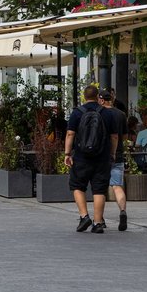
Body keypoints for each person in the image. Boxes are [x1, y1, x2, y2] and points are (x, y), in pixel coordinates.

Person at [64, 85, 118, 234]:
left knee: (77, 185)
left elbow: (70, 134)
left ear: (84, 96)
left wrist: (67, 154)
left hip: (81, 157)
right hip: (102, 157)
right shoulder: (107, 114)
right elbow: (114, 136)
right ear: (98, 97)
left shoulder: (76, 113)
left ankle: (84, 216)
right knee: (99, 189)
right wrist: (112, 154)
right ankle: (98, 222)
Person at [100, 90, 130, 232]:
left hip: (100, 156)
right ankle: (122, 211)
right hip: (117, 155)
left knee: (99, 188)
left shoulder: (99, 113)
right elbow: (124, 137)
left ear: (101, 100)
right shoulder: (121, 114)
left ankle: (100, 219)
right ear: (111, 99)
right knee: (117, 186)